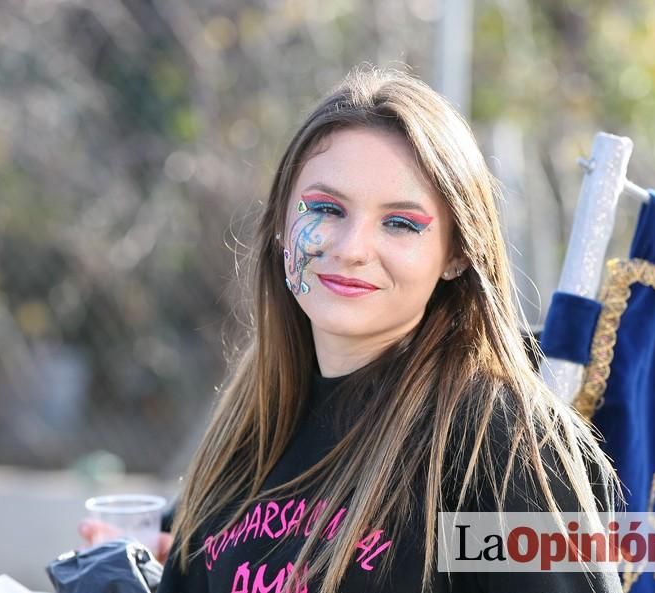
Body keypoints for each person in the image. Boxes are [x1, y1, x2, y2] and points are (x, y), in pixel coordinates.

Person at [105, 66, 622, 592]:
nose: (352, 249)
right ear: (281, 225)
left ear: (458, 254)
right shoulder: (250, 425)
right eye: (327, 209)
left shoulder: (503, 445)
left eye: (400, 222)